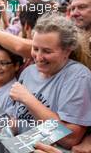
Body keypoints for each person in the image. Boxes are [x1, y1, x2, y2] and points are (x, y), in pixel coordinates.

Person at [9, 13, 91, 150]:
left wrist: (28, 99)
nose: (38, 57)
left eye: (47, 51)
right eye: (35, 49)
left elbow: (69, 138)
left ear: (67, 51)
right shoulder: (29, 71)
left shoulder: (78, 77)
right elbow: (19, 120)